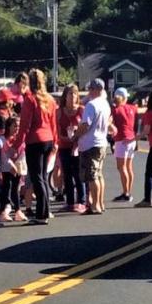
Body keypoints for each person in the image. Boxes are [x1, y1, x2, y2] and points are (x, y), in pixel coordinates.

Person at [12, 68, 57, 224]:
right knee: (43, 176)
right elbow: (53, 123)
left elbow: (24, 125)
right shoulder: (50, 99)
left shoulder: (30, 100)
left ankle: (41, 214)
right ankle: (45, 210)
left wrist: (16, 145)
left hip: (35, 140)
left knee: (37, 177)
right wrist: (55, 142)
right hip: (48, 139)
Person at [76, 79, 111, 215]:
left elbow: (85, 125)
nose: (89, 92)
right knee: (99, 174)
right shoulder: (105, 104)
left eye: (91, 89)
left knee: (92, 176)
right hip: (101, 142)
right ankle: (100, 203)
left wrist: (75, 135)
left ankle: (95, 205)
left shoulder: (91, 105)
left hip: (91, 143)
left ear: (97, 90)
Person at [56, 84, 85, 213]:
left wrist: (76, 137)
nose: (72, 96)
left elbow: (86, 128)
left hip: (78, 146)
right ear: (65, 96)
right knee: (67, 175)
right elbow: (56, 131)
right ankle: (70, 202)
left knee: (79, 175)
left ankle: (82, 201)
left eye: (75, 93)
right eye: (70, 93)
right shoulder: (59, 111)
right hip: (64, 146)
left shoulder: (82, 110)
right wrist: (65, 139)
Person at [110, 87, 138, 201]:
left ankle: (126, 193)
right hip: (131, 139)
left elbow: (110, 121)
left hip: (121, 140)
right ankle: (128, 191)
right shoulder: (132, 108)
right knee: (129, 167)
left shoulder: (115, 110)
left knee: (121, 168)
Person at [0, 117, 26, 222]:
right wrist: (11, 165)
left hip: (18, 166)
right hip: (6, 168)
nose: (17, 128)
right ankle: (3, 211)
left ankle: (18, 210)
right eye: (14, 126)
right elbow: (4, 156)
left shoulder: (20, 138)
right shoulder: (2, 139)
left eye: (18, 126)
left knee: (15, 189)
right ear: (8, 127)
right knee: (6, 188)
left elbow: (22, 152)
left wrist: (17, 165)